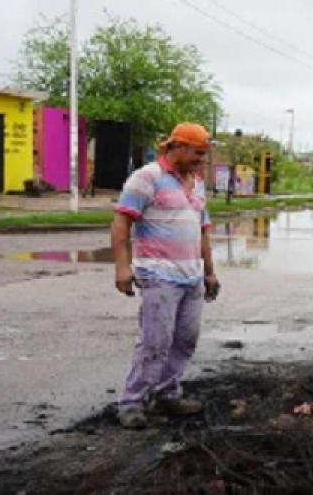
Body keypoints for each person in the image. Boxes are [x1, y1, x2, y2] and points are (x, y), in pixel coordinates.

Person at [111, 122, 220, 429]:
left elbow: (202, 231)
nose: (202, 161)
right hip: (158, 275)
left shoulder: (196, 183)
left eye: (204, 155)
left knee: (185, 339)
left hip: (191, 277)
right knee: (156, 340)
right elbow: (121, 223)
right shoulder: (147, 178)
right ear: (178, 147)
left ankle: (167, 392)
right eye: (198, 154)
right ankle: (132, 402)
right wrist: (122, 267)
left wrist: (209, 273)